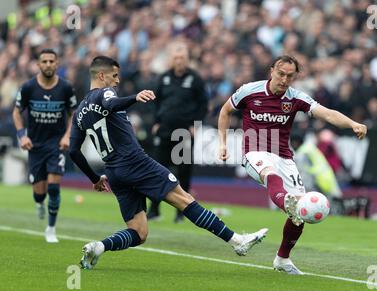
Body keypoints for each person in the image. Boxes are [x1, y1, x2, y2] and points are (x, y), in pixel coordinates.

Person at [69, 56, 267, 269]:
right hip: (135, 163)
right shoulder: (105, 92)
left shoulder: (80, 112)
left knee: (139, 232)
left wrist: (95, 178)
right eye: (114, 75)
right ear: (101, 75)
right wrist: (135, 97)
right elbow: (110, 102)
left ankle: (99, 246)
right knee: (184, 199)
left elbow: (73, 151)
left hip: (114, 171)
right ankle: (238, 241)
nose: (117, 81)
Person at [218, 55, 367, 275]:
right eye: (281, 74)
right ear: (271, 71)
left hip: (285, 157)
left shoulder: (296, 98)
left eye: (290, 76)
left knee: (300, 214)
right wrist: (222, 143)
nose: (284, 80)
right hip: (255, 152)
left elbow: (326, 114)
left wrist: (352, 123)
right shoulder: (250, 91)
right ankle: (286, 200)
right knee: (271, 174)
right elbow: (225, 111)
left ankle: (282, 259)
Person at [12, 48, 77, 243]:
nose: (48, 64)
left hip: (56, 145)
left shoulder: (65, 88)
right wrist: (22, 136)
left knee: (54, 188)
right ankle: (39, 203)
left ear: (57, 64)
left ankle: (51, 228)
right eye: (44, 61)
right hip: (35, 146)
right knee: (39, 193)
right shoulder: (28, 87)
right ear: (38, 65)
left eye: (51, 61)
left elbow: (73, 114)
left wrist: (67, 136)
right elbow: (16, 112)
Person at [147, 42, 208, 223]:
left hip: (184, 132)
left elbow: (203, 105)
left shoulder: (195, 79)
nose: (179, 61)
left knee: (183, 172)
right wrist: (156, 122)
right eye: (176, 57)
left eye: (182, 58)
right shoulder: (163, 78)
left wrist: (195, 125)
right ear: (171, 59)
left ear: (187, 59)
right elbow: (154, 102)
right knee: (158, 170)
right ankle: (154, 209)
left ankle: (182, 212)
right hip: (164, 129)